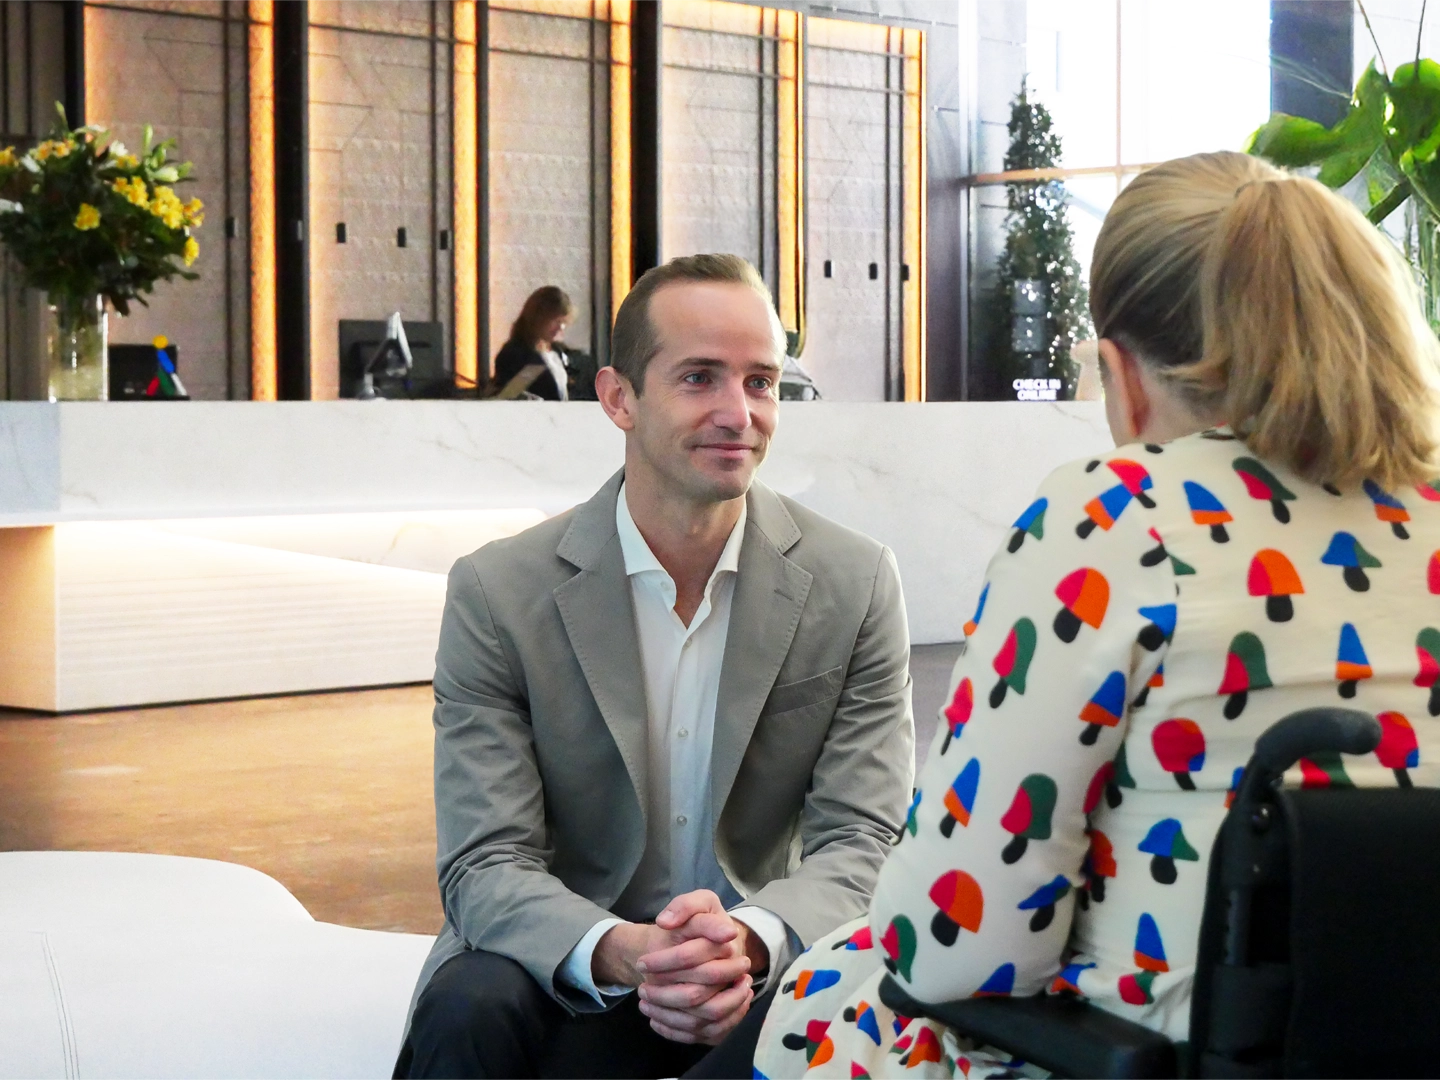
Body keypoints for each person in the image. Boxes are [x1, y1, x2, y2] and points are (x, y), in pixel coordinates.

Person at [727, 150, 1440, 1080]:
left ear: (1122, 373)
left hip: (1155, 1052)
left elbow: (957, 938)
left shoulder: (1122, 516)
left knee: (822, 999)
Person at [394, 253, 915, 1080]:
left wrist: (744, 943)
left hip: (761, 962)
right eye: (701, 378)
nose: (738, 413)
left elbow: (865, 838)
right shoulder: (498, 592)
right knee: (470, 1010)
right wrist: (628, 953)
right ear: (618, 398)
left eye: (761, 382)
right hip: (564, 960)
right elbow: (484, 861)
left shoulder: (853, 583)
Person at [494, 285, 576, 400]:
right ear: (538, 318)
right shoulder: (516, 354)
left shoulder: (559, 352)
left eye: (564, 322)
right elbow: (509, 395)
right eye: (556, 321)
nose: (561, 327)